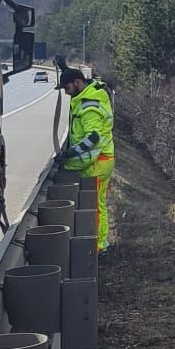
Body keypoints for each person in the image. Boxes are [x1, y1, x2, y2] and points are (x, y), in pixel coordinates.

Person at [58, 64, 115, 251]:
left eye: (67, 88)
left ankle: (100, 246)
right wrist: (65, 68)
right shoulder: (88, 93)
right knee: (98, 203)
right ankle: (99, 243)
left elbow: (93, 137)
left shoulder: (89, 105)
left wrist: (70, 153)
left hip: (98, 161)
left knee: (96, 205)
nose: (67, 93)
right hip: (100, 159)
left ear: (77, 82)